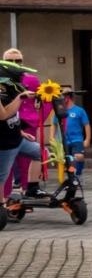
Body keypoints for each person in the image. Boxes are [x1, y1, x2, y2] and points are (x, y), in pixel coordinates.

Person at [1, 47, 41, 198]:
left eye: (18, 61)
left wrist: (39, 117)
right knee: (6, 167)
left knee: (30, 158)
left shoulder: (31, 79)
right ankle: (4, 199)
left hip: (25, 123)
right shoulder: (1, 82)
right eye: (10, 61)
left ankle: (28, 190)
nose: (14, 64)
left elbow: (43, 99)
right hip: (6, 127)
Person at [58, 90, 91, 181]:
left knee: (78, 157)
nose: (60, 99)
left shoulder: (79, 110)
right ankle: (72, 177)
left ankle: (79, 174)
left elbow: (86, 125)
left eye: (62, 97)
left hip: (77, 139)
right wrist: (52, 137)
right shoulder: (60, 111)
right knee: (68, 160)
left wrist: (87, 139)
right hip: (64, 140)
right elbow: (54, 124)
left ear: (67, 98)